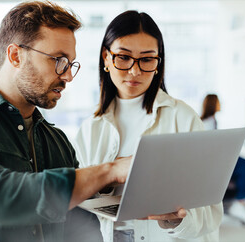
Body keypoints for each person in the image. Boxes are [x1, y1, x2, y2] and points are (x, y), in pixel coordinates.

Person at [0, 1, 131, 241]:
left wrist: (141, 204)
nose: (68, 75)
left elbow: (82, 230)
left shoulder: (56, 141)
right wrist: (109, 171)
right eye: (58, 60)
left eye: (70, 64)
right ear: (15, 55)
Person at [73, 11, 223, 242]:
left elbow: (211, 214)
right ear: (105, 57)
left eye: (146, 59)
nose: (135, 71)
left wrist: (176, 221)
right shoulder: (90, 129)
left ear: (158, 62)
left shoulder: (182, 118)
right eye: (123, 57)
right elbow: (79, 203)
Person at [200, 94, 245, 226]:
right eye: (218, 102)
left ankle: (240, 201)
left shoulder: (210, 120)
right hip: (214, 162)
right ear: (213, 104)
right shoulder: (208, 123)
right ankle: (240, 202)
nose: (220, 105)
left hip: (218, 158)